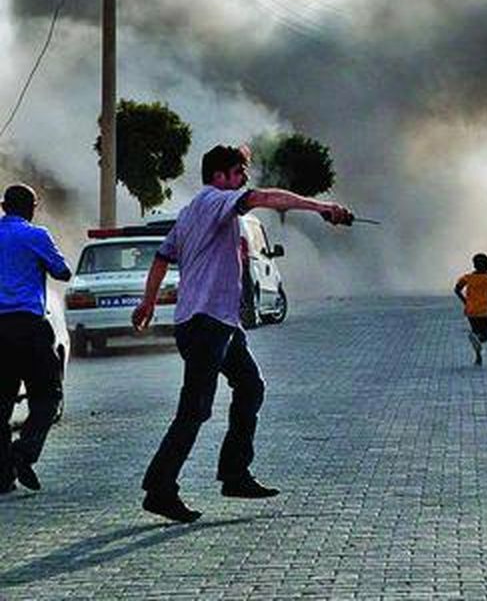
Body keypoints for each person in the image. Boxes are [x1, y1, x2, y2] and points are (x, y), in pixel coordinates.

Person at [134, 144, 353, 523]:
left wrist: (148, 302)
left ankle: (234, 474)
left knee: (251, 386)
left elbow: (161, 257)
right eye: (239, 173)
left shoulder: (189, 214)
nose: (243, 182)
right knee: (194, 410)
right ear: (220, 176)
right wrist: (322, 208)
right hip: (206, 323)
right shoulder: (215, 201)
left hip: (216, 323)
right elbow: (266, 198)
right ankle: (159, 489)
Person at [0, 185, 71, 494]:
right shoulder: (36, 236)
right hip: (29, 327)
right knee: (48, 396)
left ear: (4, 207)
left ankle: (3, 478)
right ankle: (23, 453)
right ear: (31, 207)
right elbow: (63, 272)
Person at [454, 253, 487, 366]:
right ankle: (478, 339)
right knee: (485, 336)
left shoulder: (468, 278)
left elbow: (457, 289)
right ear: (486, 265)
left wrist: (465, 301)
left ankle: (478, 357)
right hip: (485, 312)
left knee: (476, 333)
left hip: (471, 312)